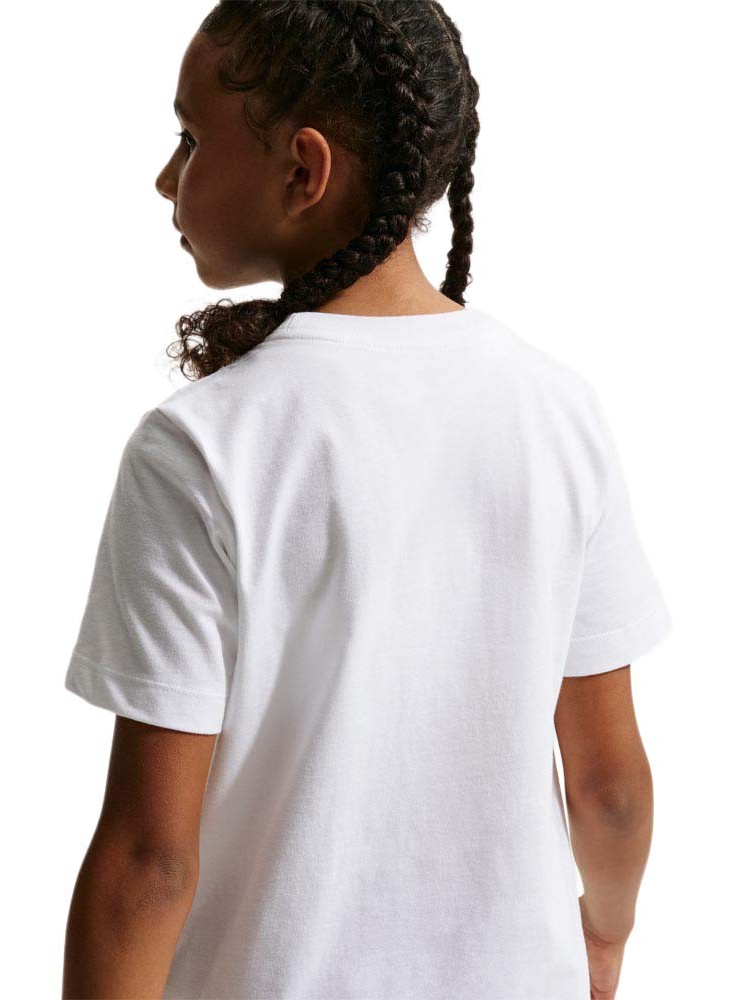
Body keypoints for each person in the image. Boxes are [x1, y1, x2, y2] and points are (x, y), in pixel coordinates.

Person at [61, 3, 672, 998]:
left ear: (302, 169)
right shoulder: (555, 410)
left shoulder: (202, 447)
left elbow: (150, 862)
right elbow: (609, 788)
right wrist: (603, 938)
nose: (166, 178)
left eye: (190, 138)